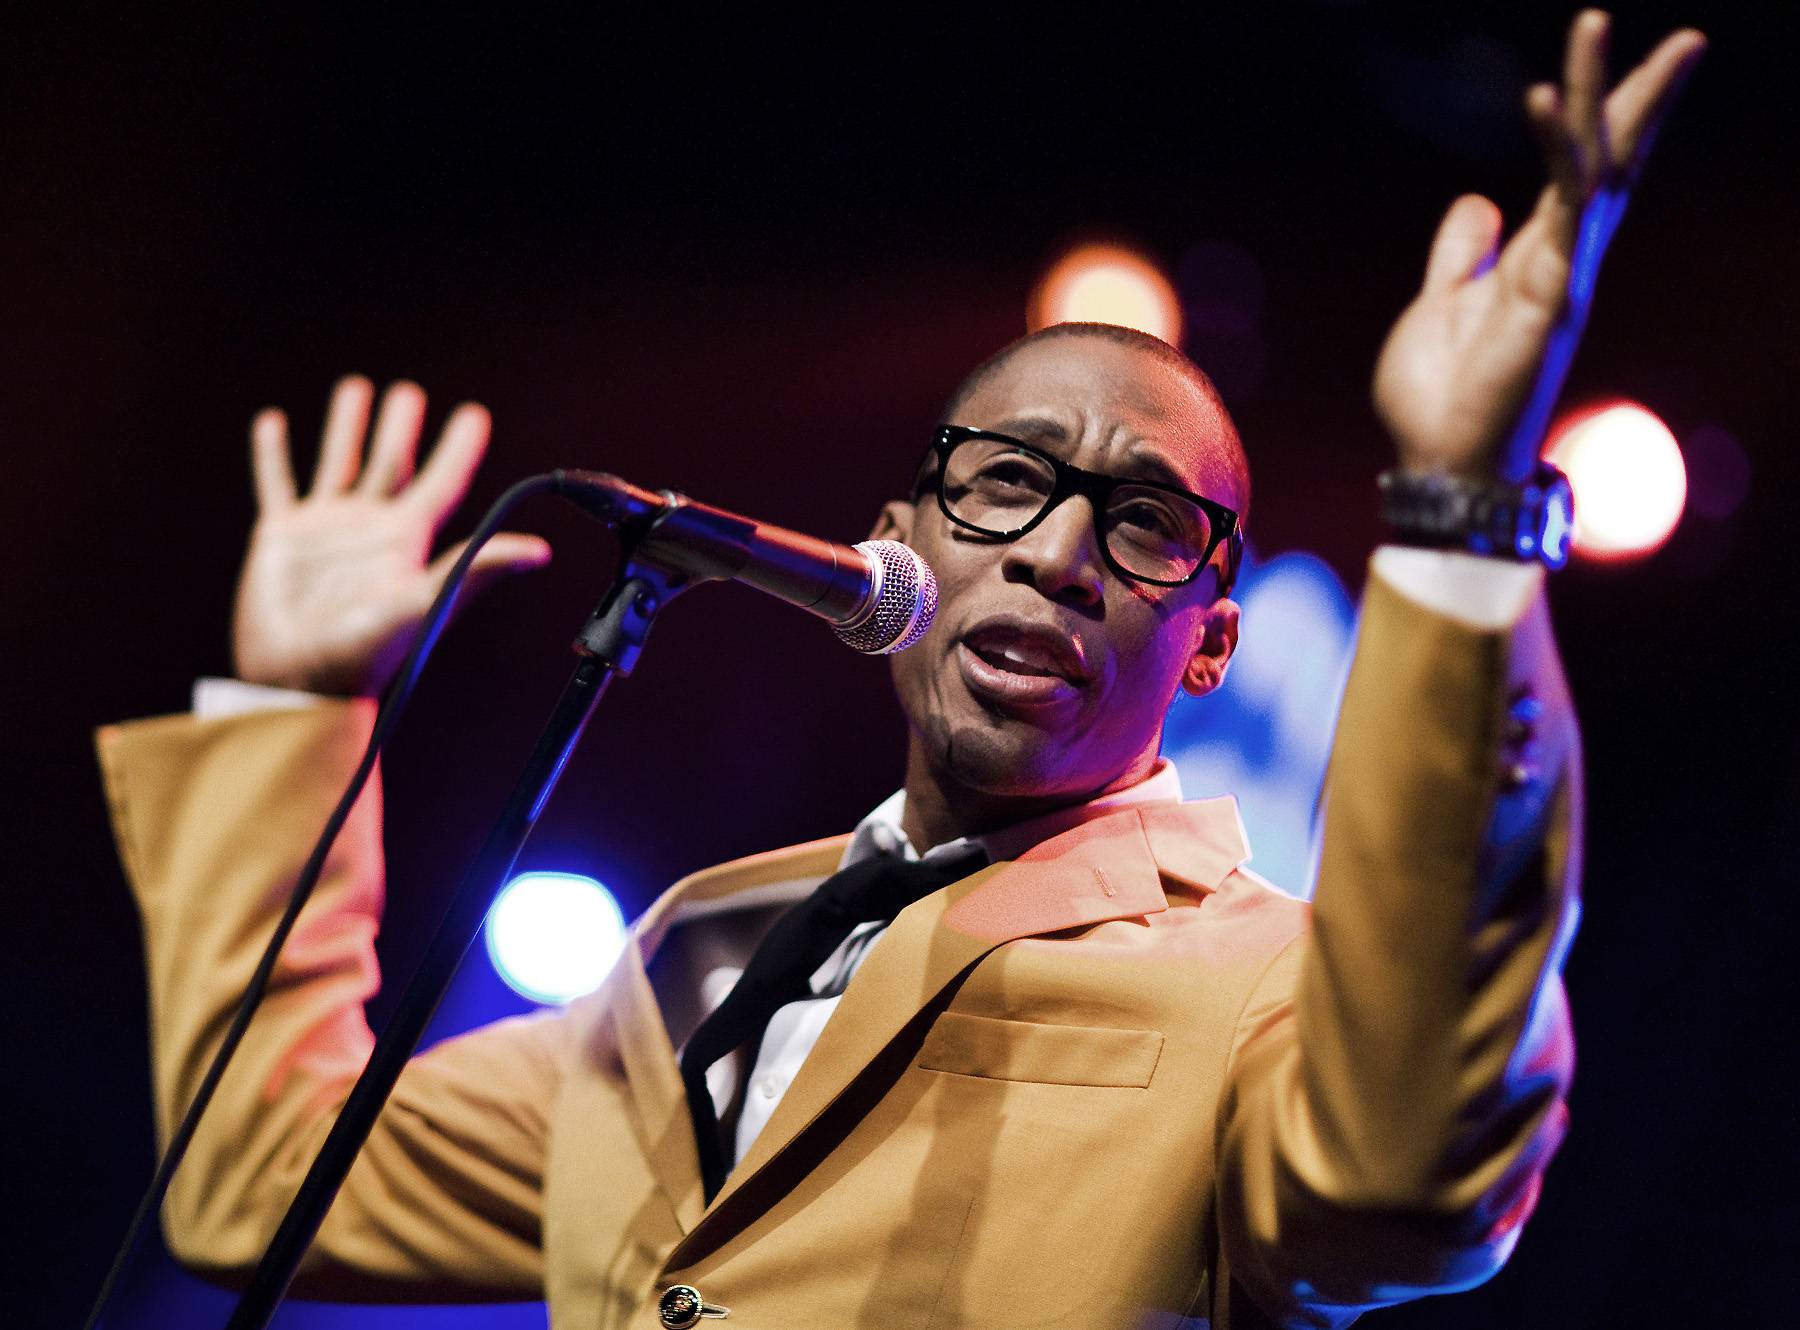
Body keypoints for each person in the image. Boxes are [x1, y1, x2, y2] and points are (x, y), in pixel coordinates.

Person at [96, 13, 1704, 1328]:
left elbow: (1409, 1164)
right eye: (1008, 479)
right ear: (897, 544)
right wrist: (301, 707)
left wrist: (1461, 523)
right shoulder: (689, 952)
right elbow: (255, 1173)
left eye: (1146, 524)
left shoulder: (1261, 980)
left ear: (1213, 640)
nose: (1061, 552)